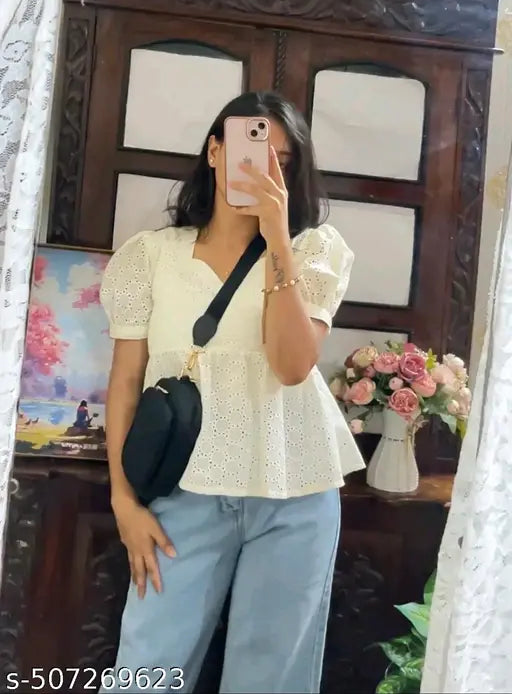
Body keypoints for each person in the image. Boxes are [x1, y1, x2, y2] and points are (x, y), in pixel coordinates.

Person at [100, 91, 365, 694]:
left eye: (282, 161)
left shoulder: (314, 249)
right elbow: (125, 384)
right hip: (183, 493)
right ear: (216, 151)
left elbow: (292, 367)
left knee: (269, 681)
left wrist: (277, 240)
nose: (265, 168)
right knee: (145, 671)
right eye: (251, 150)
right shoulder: (151, 256)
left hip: (296, 492)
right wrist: (123, 501)